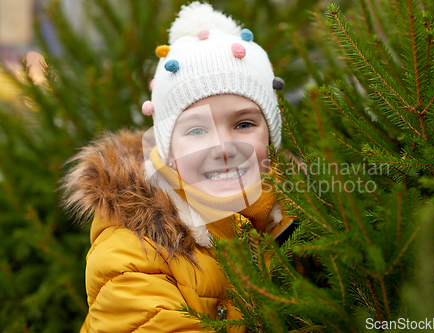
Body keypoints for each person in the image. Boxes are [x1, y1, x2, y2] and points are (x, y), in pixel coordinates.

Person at [61, 2, 294, 332]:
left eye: (243, 124)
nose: (224, 148)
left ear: (270, 136)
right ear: (167, 149)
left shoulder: (292, 215)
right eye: (197, 130)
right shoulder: (132, 252)